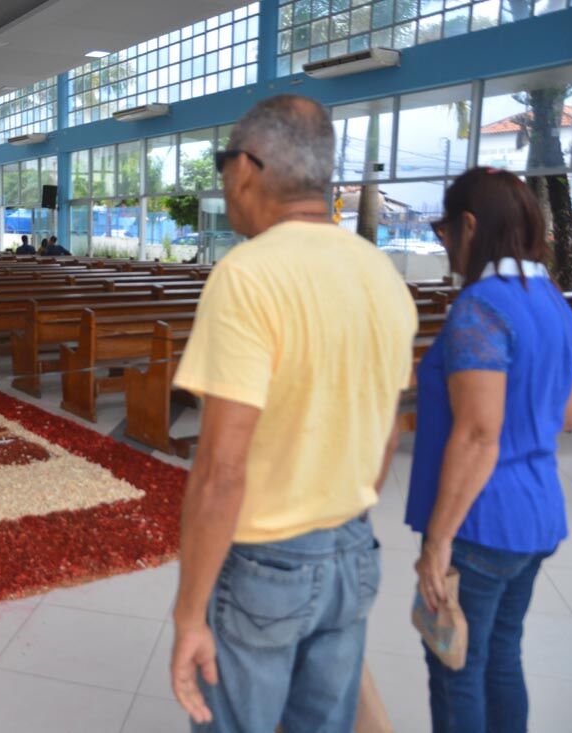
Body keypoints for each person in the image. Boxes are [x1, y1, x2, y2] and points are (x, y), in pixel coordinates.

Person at [168, 95, 418, 733]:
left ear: (247, 168)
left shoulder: (248, 276)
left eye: (224, 165)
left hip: (266, 561)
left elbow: (222, 468)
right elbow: (389, 428)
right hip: (353, 547)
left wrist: (190, 615)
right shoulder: (380, 274)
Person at [406, 168, 572, 733]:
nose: (442, 241)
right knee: (501, 658)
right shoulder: (552, 302)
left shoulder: (480, 307)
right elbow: (571, 413)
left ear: (471, 225)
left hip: (481, 526)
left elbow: (479, 435)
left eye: (443, 228)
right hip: (537, 516)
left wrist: (436, 544)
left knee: (457, 667)